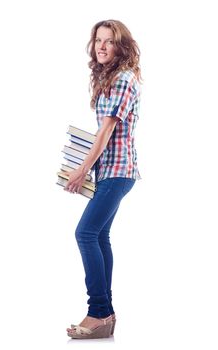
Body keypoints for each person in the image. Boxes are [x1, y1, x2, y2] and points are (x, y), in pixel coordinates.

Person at [64, 19, 142, 339]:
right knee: (98, 236)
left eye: (109, 41)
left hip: (117, 170)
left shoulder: (123, 79)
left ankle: (97, 311)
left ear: (120, 46)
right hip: (111, 171)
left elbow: (106, 131)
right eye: (98, 40)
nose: (102, 46)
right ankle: (105, 314)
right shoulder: (112, 78)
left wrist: (81, 170)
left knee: (85, 233)